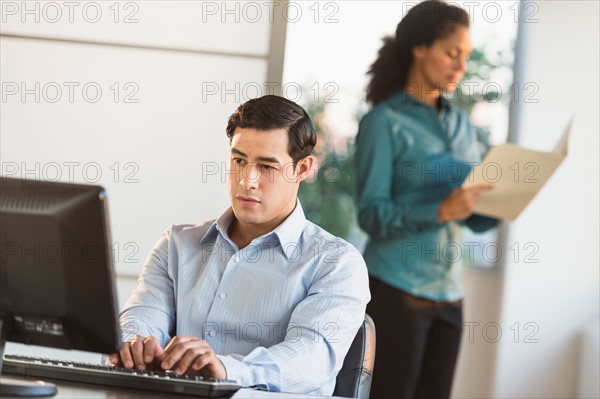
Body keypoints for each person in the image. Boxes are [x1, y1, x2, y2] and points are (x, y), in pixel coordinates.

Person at [110, 95, 370, 396]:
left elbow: (311, 360)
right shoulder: (177, 245)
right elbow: (141, 319)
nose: (247, 180)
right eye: (239, 160)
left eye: (267, 166)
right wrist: (135, 344)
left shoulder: (335, 263)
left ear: (302, 168)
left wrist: (226, 369)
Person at [354, 1, 498, 398]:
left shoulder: (462, 124)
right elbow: (371, 213)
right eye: (452, 53)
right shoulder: (383, 122)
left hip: (449, 292)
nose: (460, 66)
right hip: (397, 288)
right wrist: (438, 210)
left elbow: (471, 214)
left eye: (466, 57)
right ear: (420, 48)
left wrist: (501, 203)